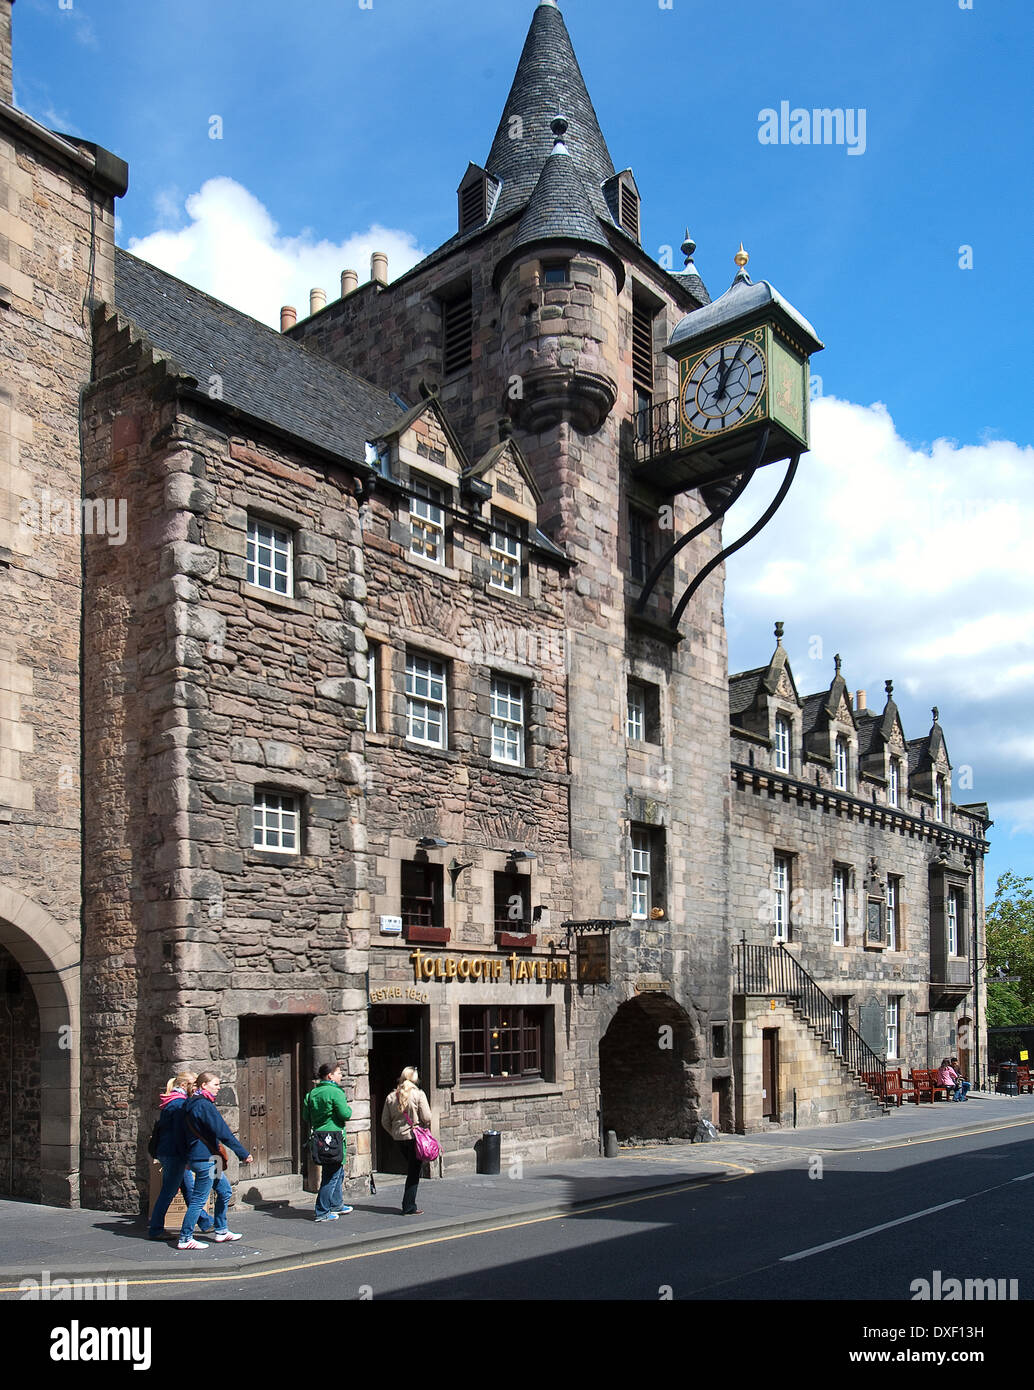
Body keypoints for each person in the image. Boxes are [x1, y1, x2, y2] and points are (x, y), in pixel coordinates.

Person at [178, 1071, 252, 1251]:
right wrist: (243, 1153)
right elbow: (223, 1132)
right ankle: (185, 1237)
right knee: (198, 1199)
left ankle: (221, 1230)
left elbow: (181, 1134)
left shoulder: (189, 1103)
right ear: (204, 1085)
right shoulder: (203, 1105)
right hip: (206, 1160)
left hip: (208, 1158)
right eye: (216, 1084)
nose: (219, 1088)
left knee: (225, 1191)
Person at [147, 1071, 215, 1241]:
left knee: (188, 1188)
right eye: (193, 1084)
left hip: (170, 1152)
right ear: (184, 1085)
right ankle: (155, 1229)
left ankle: (205, 1222)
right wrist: (186, 1156)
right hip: (174, 1154)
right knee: (168, 1192)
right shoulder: (178, 1104)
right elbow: (179, 1134)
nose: (196, 1087)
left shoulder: (173, 1101)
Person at [303, 1061, 353, 1221]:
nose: (341, 1076)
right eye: (338, 1073)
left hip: (319, 1138)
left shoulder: (312, 1093)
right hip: (334, 1138)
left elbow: (306, 1117)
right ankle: (322, 1211)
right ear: (330, 1075)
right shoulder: (335, 1092)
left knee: (337, 1171)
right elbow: (345, 1114)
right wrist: (349, 1109)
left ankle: (336, 1205)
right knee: (331, 1176)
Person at [381, 1065, 432, 1215]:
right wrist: (423, 1127)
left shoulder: (391, 1097)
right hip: (415, 1137)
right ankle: (409, 1206)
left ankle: (409, 1204)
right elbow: (427, 1117)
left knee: (412, 1169)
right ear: (415, 1079)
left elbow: (384, 1121)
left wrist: (395, 1133)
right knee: (414, 1171)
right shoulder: (418, 1094)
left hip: (399, 1138)